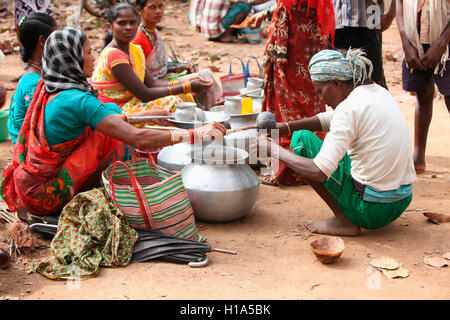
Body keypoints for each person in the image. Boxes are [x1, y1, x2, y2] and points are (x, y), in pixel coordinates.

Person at [0, 27, 226, 217]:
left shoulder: (49, 87)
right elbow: (137, 138)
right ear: (73, 59)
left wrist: (137, 118)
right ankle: (108, 191)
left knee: (111, 119)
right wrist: (197, 134)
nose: (93, 58)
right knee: (113, 138)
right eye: (88, 54)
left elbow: (111, 117)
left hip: (28, 186)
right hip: (44, 196)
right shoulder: (77, 100)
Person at [254, 49, 416, 236]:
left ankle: (344, 220)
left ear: (336, 83)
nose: (321, 98)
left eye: (320, 91)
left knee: (301, 142)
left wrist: (272, 149)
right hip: (400, 201)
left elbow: (318, 171)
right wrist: (286, 127)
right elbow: (333, 118)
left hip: (371, 211)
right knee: (307, 136)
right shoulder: (378, 92)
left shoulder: (348, 109)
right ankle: (352, 212)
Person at [247, 0, 335, 186]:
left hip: (299, 37)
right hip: (297, 29)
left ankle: (294, 167)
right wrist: (267, 12)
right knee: (292, 97)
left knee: (296, 97)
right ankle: (287, 160)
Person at [91, 3, 213, 115]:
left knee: (182, 97)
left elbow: (152, 83)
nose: (128, 27)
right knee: (173, 103)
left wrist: (187, 82)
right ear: (109, 27)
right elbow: (144, 94)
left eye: (132, 23)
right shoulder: (114, 54)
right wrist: (187, 86)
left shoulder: (134, 50)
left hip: (133, 100)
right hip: (115, 109)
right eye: (122, 23)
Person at [132, 0, 222, 109]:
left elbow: (157, 68)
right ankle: (203, 110)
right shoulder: (138, 39)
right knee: (203, 77)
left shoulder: (154, 32)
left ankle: (206, 108)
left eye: (160, 6)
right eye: (152, 7)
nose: (158, 11)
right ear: (139, 10)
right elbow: (144, 76)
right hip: (154, 85)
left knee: (205, 74)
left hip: (162, 78)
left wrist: (178, 68)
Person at [396, 0, 450, 173]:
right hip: (414, 40)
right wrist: (405, 41)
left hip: (444, 40)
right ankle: (418, 156)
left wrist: (441, 45)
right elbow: (399, 3)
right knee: (422, 93)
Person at [7, 12, 57, 144]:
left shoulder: (42, 75)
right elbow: (40, 128)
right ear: (42, 41)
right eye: (55, 38)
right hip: (32, 151)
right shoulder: (33, 83)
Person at [332, 0, 396, 89]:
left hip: (367, 23)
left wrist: (391, 15)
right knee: (339, 87)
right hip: (335, 22)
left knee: (372, 86)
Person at [197, 0, 269, 43]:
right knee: (244, 6)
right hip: (216, 31)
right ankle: (226, 36)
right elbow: (249, 2)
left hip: (206, 32)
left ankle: (229, 33)